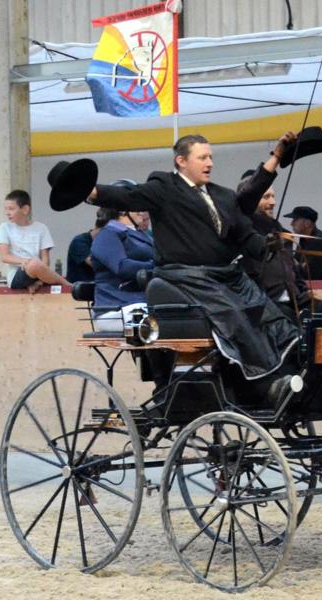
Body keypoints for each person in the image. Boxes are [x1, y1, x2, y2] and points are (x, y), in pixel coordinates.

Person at [81, 131, 301, 403]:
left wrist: (266, 246)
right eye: (202, 157)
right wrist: (89, 191)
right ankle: (264, 382)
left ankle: (291, 370)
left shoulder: (221, 196)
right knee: (233, 314)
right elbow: (127, 195)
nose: (209, 163)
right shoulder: (164, 188)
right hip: (185, 276)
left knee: (267, 311)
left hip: (226, 276)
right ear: (181, 161)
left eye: (210, 157)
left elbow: (244, 231)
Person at [239, 174, 322, 319]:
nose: (273, 202)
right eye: (266, 197)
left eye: (273, 196)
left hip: (296, 301)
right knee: (291, 321)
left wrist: (302, 289)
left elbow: (295, 270)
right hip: (267, 303)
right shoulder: (243, 234)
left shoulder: (284, 236)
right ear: (250, 200)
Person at [90, 203, 155, 331]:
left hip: (143, 303)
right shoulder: (107, 235)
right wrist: (157, 268)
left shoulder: (144, 235)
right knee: (163, 320)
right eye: (137, 206)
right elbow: (122, 267)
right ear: (122, 211)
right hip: (117, 306)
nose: (142, 211)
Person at [0, 189, 71, 293]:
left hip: (39, 272)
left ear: (25, 209)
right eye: (6, 209)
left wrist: (39, 281)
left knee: (35, 264)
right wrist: (23, 261)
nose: (7, 213)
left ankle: (53, 282)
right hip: (18, 273)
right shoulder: (5, 228)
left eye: (11, 209)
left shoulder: (41, 228)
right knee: (33, 264)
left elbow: (45, 259)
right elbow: (5, 257)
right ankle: (67, 284)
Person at [286, 205, 322, 280]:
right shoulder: (304, 240)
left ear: (307, 223)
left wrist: (289, 259)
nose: (291, 224)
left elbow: (309, 276)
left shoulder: (320, 242)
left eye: (295, 220)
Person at [65, 212, 106, 283]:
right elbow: (95, 263)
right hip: (80, 288)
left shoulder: (106, 243)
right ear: (96, 227)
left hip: (98, 286)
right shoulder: (79, 241)